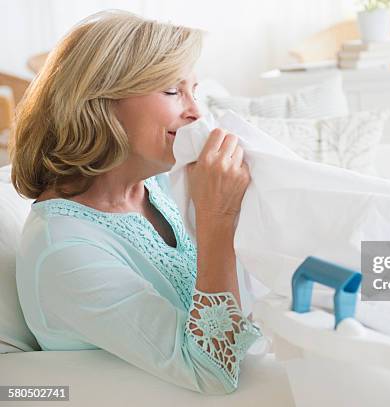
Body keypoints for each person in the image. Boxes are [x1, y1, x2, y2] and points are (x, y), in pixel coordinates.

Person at [10, 10, 260, 394]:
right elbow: (211, 372)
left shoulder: (157, 185)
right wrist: (218, 216)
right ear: (102, 102)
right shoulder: (63, 249)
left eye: (196, 91)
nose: (196, 111)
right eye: (173, 91)